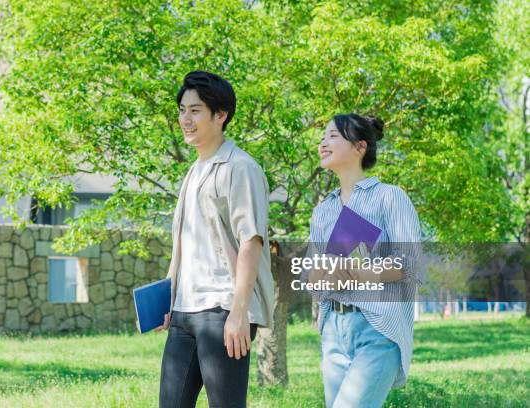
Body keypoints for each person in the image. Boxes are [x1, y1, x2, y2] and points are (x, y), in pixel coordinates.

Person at [156, 70, 274, 408]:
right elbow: (186, 245)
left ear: (220, 115)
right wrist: (168, 294)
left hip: (223, 310)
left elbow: (251, 242)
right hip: (184, 312)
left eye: (195, 110)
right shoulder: (193, 171)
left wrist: (239, 313)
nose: (185, 119)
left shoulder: (240, 167)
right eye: (181, 110)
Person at [302, 113, 424, 408]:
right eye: (322, 137)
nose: (323, 143)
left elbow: (409, 264)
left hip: (377, 325)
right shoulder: (323, 211)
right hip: (333, 328)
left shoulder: (389, 197)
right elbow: (309, 278)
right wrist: (324, 272)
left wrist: (358, 271)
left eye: (332, 136)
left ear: (360, 147)